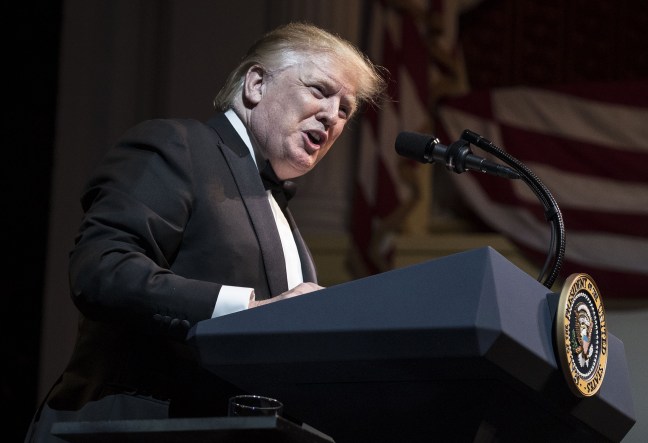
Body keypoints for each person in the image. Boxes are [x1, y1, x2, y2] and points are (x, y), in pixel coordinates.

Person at [25, 21, 387, 442]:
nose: (332, 115)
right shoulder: (179, 145)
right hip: (129, 427)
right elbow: (101, 271)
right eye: (320, 90)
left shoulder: (277, 207)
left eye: (345, 110)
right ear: (256, 84)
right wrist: (250, 311)